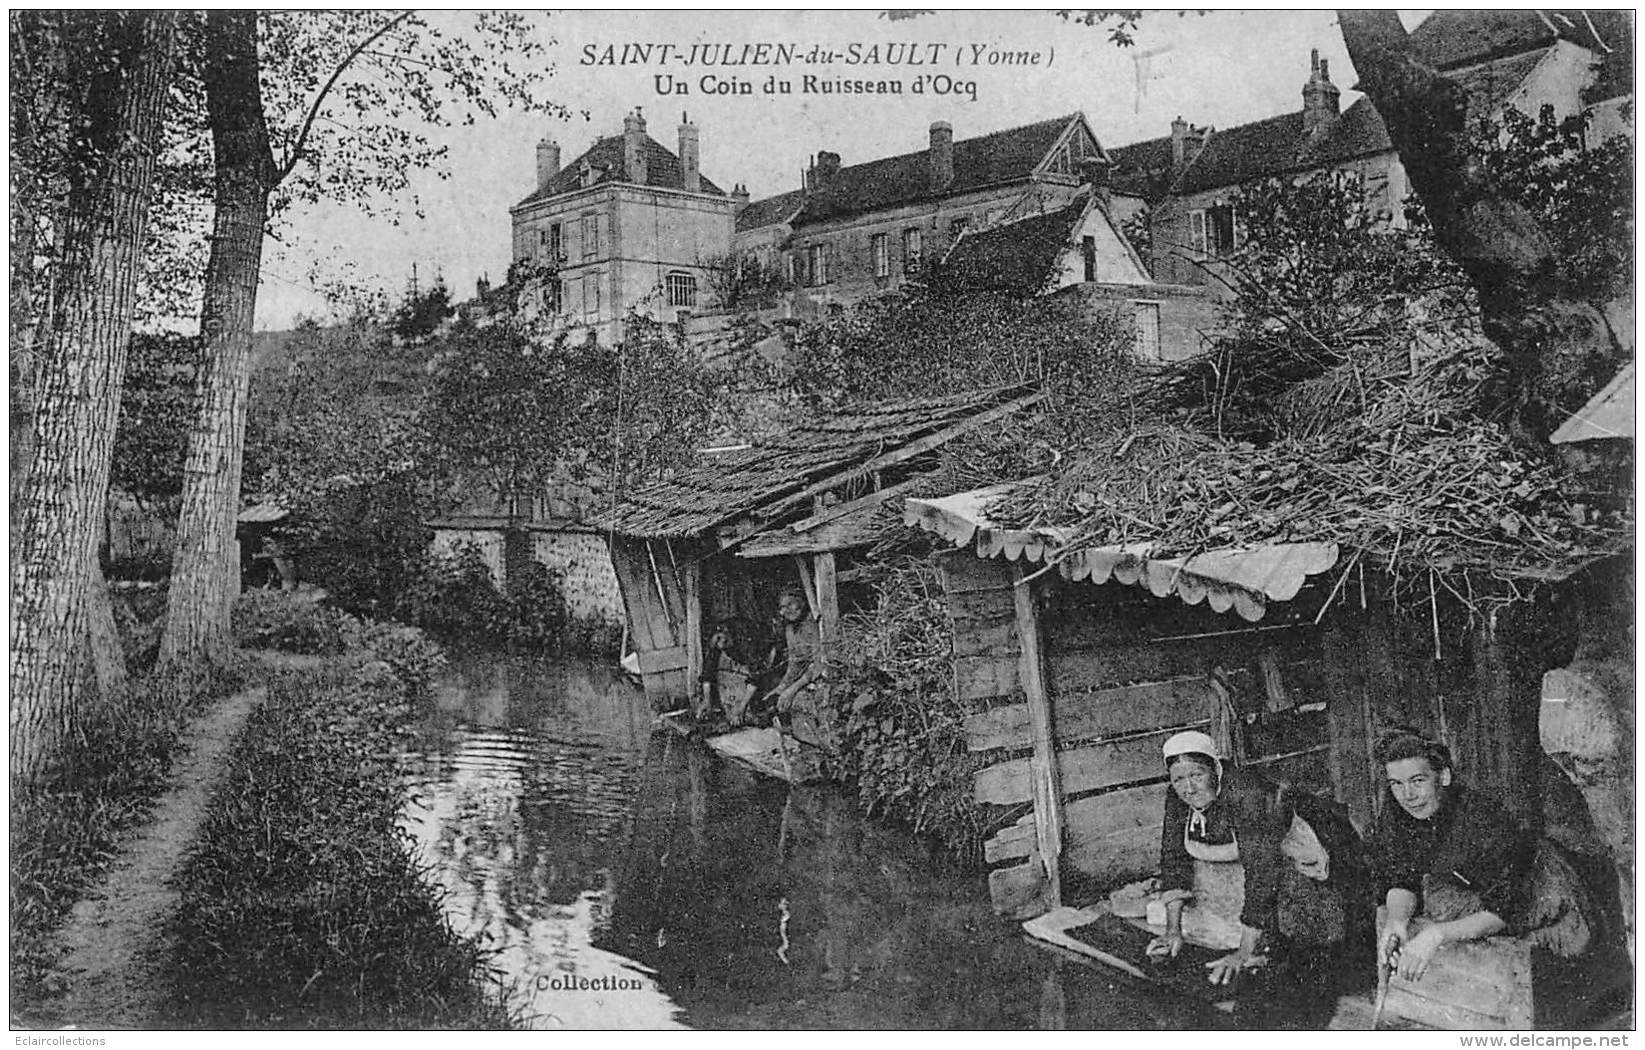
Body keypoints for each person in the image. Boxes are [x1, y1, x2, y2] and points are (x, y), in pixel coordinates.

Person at [1147, 730, 1373, 1023]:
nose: (1188, 788)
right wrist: (1173, 931)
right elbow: (1173, 858)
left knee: (1303, 943)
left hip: (1316, 855)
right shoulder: (1176, 798)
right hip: (1257, 866)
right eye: (1179, 779)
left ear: (1214, 769)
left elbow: (1262, 873)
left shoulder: (1247, 793)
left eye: (1197, 775)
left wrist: (1243, 953)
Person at [1368, 726, 1595, 987]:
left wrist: (1436, 936)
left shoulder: (1482, 822)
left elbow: (1504, 910)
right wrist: (1396, 922)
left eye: (1418, 781)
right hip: (1477, 888)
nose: (1408, 795)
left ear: (1443, 777)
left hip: (1541, 890)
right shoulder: (1398, 810)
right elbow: (1401, 877)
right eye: (1397, 783)